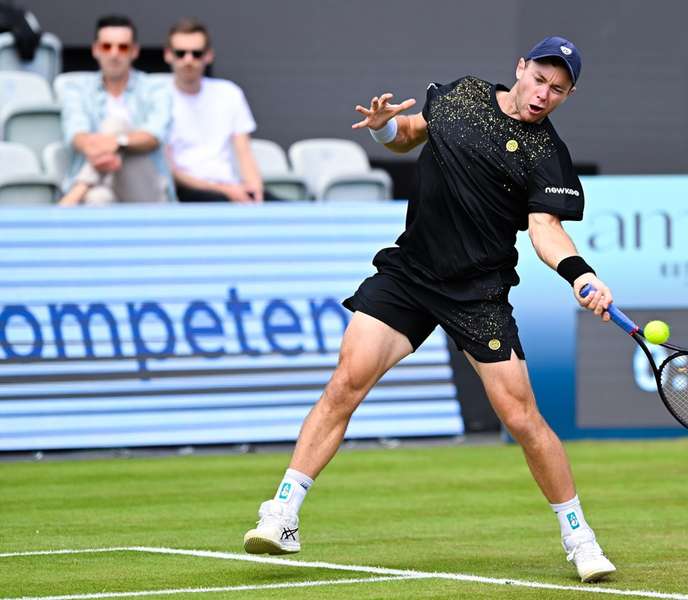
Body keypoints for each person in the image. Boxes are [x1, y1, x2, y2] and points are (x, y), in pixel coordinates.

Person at [242, 36, 618, 582]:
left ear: (568, 94)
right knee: (346, 382)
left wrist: (580, 275)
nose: (543, 95)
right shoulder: (461, 96)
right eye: (539, 79)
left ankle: (580, 538)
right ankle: (282, 513)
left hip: (478, 292)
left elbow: (545, 229)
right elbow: (408, 136)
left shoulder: (546, 155)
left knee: (521, 418)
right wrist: (383, 128)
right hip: (411, 275)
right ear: (521, 67)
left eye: (557, 90)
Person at [58, 14, 173, 206]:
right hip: (100, 185)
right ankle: (85, 188)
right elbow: (76, 134)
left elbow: (154, 135)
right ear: (95, 50)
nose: (114, 53)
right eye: (106, 46)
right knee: (97, 198)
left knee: (115, 124)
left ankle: (77, 190)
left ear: (134, 51)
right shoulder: (77, 88)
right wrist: (106, 149)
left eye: (123, 47)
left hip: (145, 189)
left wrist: (119, 142)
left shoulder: (156, 88)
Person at [163, 17, 265, 203]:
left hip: (231, 186)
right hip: (186, 191)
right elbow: (169, 169)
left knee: (294, 211)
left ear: (208, 55)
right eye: (181, 53)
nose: (188, 60)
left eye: (196, 53)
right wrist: (226, 191)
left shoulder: (229, 93)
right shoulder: (158, 96)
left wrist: (255, 190)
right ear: (168, 55)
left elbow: (244, 152)